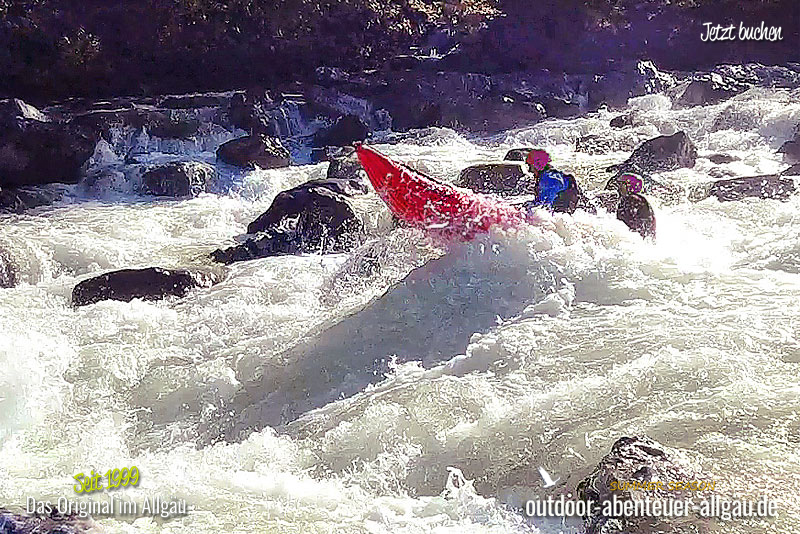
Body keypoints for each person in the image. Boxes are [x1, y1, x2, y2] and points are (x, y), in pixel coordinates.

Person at [524, 149, 587, 214]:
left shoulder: (550, 179)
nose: (529, 170)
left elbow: (545, 207)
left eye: (530, 166)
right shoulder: (547, 177)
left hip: (578, 212)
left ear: (537, 165)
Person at [614, 173, 656, 238]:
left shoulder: (630, 200)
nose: (619, 188)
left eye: (621, 184)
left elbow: (621, 221)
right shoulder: (641, 200)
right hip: (647, 238)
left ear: (629, 185)